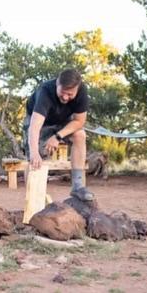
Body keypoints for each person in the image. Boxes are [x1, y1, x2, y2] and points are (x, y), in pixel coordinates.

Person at [23, 69, 94, 201]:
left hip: (62, 121)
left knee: (80, 135)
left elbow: (79, 121)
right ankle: (34, 198)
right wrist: (34, 152)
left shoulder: (82, 92)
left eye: (70, 94)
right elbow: (34, 127)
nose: (66, 97)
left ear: (77, 89)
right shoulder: (45, 92)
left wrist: (57, 136)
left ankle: (78, 187)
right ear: (57, 83)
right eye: (63, 92)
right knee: (35, 157)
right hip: (39, 122)